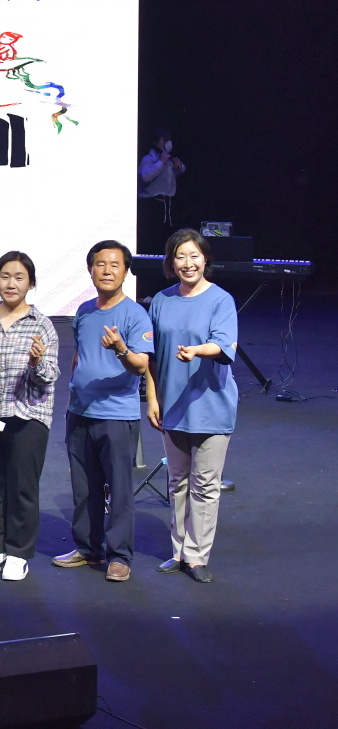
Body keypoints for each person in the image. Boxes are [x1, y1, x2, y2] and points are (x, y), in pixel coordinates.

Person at [55, 240, 153, 582]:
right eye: (100, 264)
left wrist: (121, 348)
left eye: (114, 265)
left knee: (120, 489)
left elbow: (141, 365)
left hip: (116, 415)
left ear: (125, 272)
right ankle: (88, 549)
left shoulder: (135, 314)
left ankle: (120, 556)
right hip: (80, 412)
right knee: (84, 486)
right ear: (90, 269)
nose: (107, 270)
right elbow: (79, 355)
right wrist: (73, 392)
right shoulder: (84, 311)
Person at [145, 229, 238, 584]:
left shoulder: (220, 300)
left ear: (205, 259)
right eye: (180, 257)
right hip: (172, 404)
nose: (188, 263)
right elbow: (151, 357)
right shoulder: (161, 301)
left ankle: (197, 556)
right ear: (171, 263)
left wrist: (198, 350)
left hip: (211, 404)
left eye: (194, 256)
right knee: (177, 482)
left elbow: (222, 345)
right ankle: (178, 552)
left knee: (205, 485)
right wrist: (153, 397)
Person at [0, 251, 59, 582]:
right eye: (5, 276)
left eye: (19, 277)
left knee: (22, 487)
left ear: (31, 283)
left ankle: (18, 553)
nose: (11, 283)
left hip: (28, 415)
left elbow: (49, 377)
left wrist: (36, 363)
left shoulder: (42, 325)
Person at [137, 126, 186, 253]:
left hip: (166, 205)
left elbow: (174, 175)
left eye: (168, 139)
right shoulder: (148, 159)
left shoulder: (167, 160)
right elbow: (145, 176)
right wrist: (160, 162)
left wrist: (178, 166)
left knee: (167, 239)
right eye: (164, 140)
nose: (168, 143)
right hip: (152, 205)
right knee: (153, 238)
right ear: (155, 142)